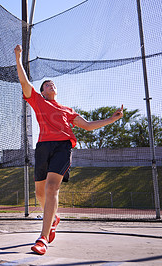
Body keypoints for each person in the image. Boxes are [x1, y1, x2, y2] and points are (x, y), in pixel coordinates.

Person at [14, 45, 123, 255]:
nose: (51, 85)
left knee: (52, 188)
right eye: (47, 85)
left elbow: (89, 125)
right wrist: (18, 58)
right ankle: (53, 216)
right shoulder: (37, 101)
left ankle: (42, 238)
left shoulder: (67, 111)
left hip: (63, 146)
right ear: (43, 91)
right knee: (39, 192)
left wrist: (112, 118)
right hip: (43, 147)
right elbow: (24, 82)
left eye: (53, 84)